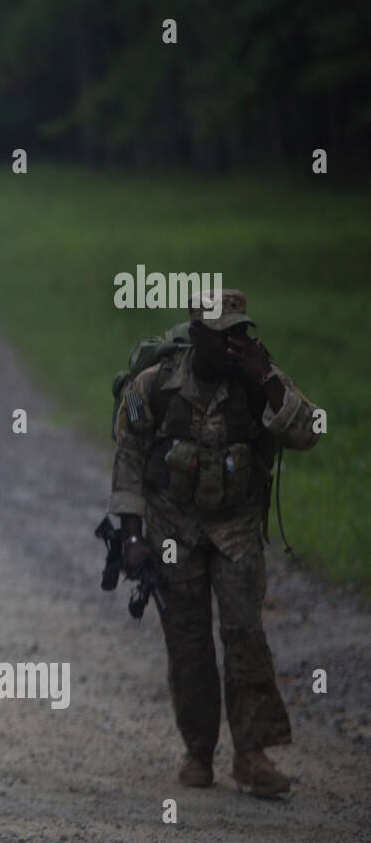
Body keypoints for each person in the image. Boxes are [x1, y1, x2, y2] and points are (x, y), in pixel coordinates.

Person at [108, 289, 321, 797]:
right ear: (196, 335)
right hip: (172, 530)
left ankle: (252, 754)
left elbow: (311, 431)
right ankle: (198, 751)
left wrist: (267, 381)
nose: (233, 344)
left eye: (240, 332)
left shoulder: (257, 378)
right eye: (222, 334)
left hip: (236, 528)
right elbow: (130, 457)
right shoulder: (155, 384)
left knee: (245, 633)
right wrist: (132, 538)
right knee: (188, 643)